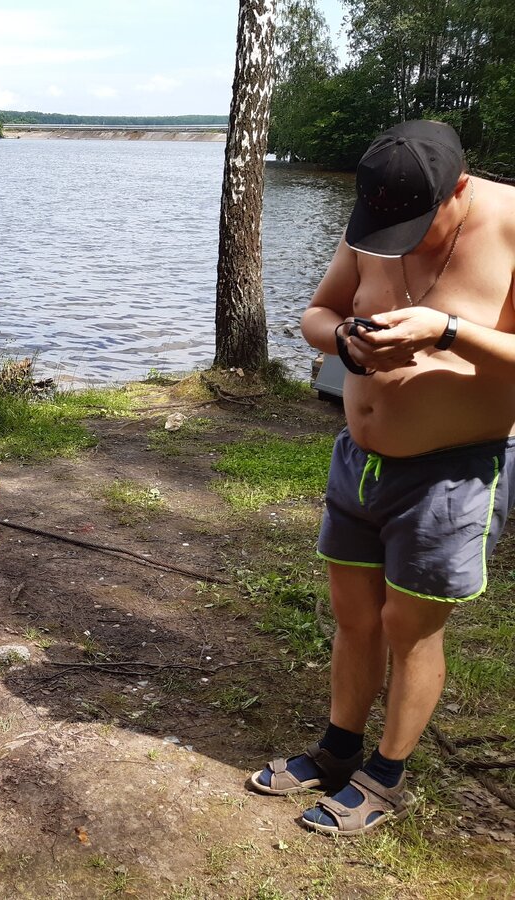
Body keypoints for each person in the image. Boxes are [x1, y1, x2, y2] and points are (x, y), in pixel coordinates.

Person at [248, 119, 515, 835]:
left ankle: (385, 775)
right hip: (358, 461)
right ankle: (337, 748)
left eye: (419, 228)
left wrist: (447, 330)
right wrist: (343, 342)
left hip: (453, 473)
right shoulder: (378, 215)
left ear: (457, 189)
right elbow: (318, 312)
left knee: (408, 628)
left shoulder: (511, 226)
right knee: (354, 616)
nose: (399, 243)